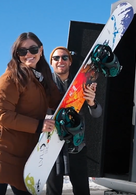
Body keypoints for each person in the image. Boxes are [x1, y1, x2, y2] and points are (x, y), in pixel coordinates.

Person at [0, 32, 63, 195]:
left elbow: (57, 102)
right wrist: (39, 125)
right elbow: (1, 114)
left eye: (33, 49)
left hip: (24, 153)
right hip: (0, 151)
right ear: (17, 55)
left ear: (41, 50)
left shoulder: (43, 79)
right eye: (22, 52)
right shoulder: (10, 78)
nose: (28, 54)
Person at [46, 46, 103, 195]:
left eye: (65, 57)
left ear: (70, 62)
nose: (60, 61)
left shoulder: (80, 84)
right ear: (51, 62)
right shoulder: (44, 85)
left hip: (76, 143)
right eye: (56, 58)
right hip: (52, 145)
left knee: (82, 189)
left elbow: (97, 114)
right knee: (53, 190)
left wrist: (91, 102)